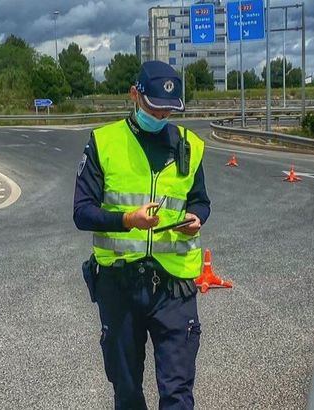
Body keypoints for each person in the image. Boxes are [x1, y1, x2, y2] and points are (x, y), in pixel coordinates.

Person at [73, 60, 211, 409]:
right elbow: (82, 211)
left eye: (169, 110)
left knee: (178, 393)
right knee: (128, 391)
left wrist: (197, 218)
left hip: (175, 287)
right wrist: (127, 220)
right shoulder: (104, 142)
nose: (161, 115)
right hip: (120, 285)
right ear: (135, 94)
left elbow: (200, 201)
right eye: (154, 107)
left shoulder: (189, 145)